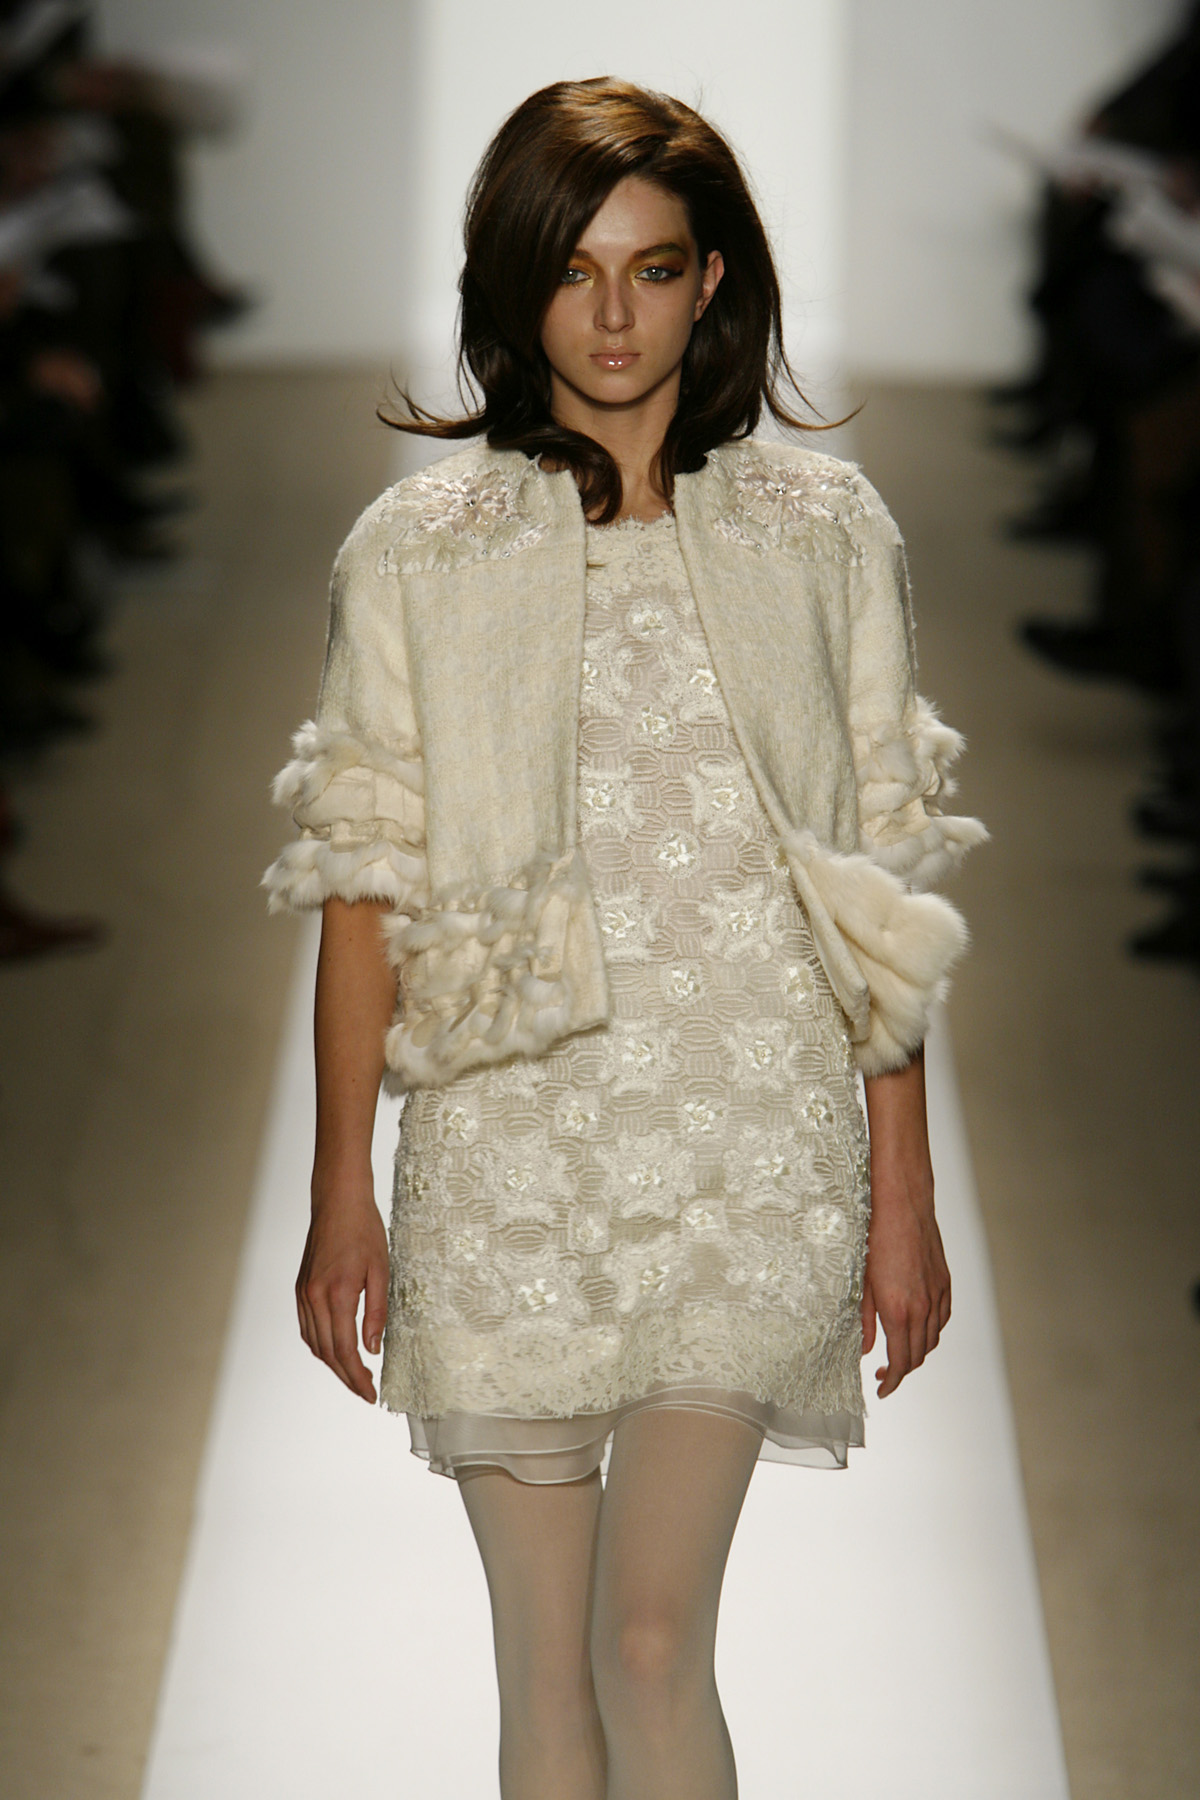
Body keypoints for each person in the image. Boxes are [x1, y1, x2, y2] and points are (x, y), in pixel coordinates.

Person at [264, 77, 986, 1800]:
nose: (611, 315)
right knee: (547, 1679)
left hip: (753, 1142)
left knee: (652, 1644)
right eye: (573, 271)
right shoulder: (415, 552)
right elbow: (364, 886)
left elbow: (876, 880)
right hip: (512, 1141)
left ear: (711, 281)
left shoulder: (826, 534)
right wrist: (341, 1187)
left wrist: (903, 1190)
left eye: (652, 270)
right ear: (514, 286)